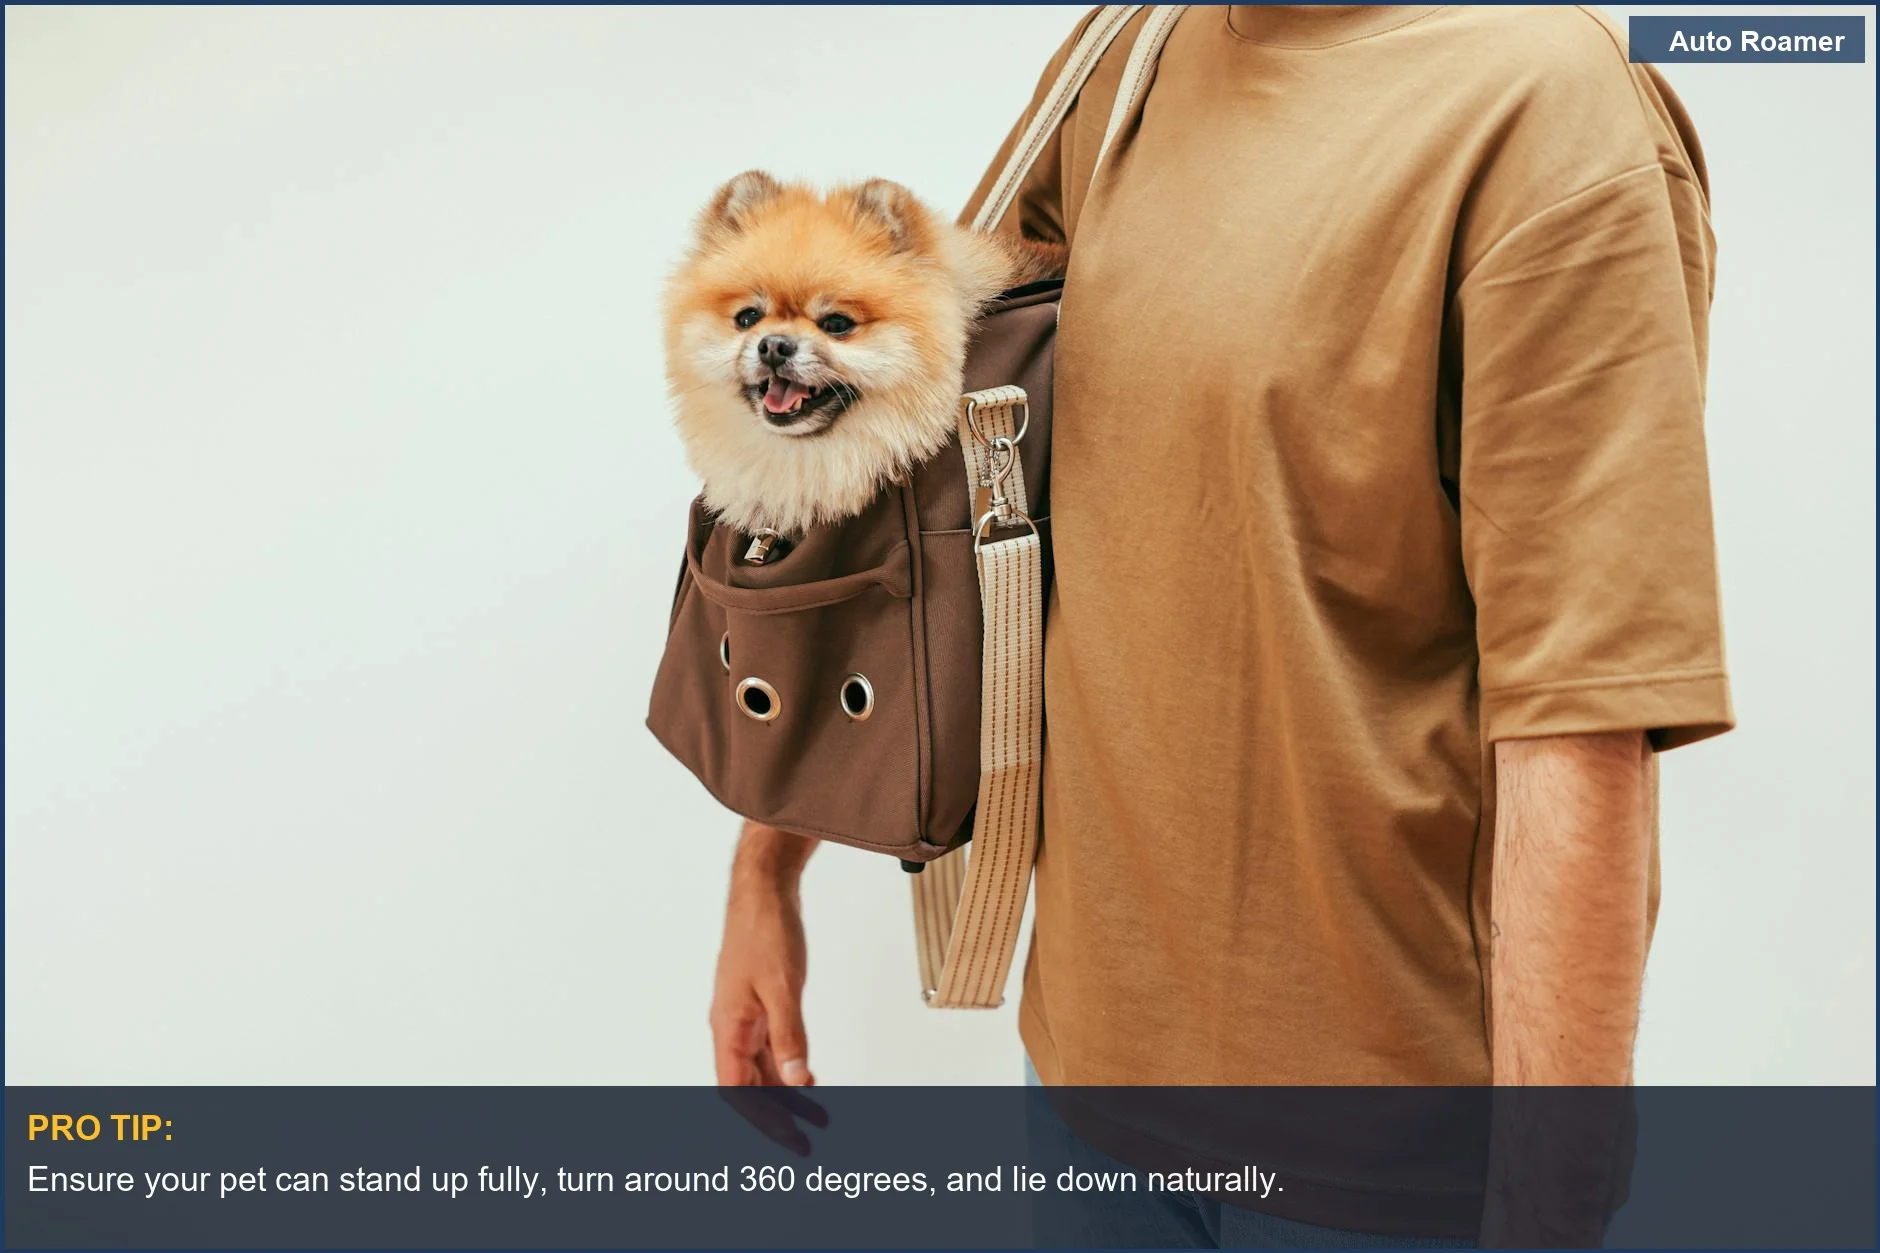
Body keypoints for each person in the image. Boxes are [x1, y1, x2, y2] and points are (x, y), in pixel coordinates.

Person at [708, 5, 1733, 1245]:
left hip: (1378, 1155)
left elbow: (1581, 703)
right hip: (1083, 1078)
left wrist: (1547, 1209)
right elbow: (900, 443)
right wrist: (767, 863)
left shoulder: (1544, 106)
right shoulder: (1132, 44)